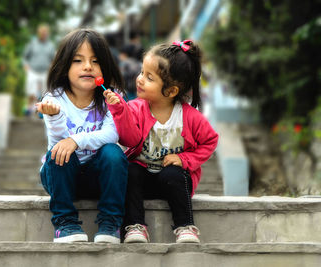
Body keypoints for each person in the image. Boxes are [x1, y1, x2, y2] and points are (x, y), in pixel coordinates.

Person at [104, 40, 218, 243]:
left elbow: (210, 141)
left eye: (149, 77)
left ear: (171, 91)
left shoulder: (190, 117)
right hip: (142, 180)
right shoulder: (135, 108)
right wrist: (120, 111)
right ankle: (135, 226)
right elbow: (127, 138)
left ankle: (185, 226)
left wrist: (185, 159)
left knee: (174, 173)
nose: (139, 79)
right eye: (141, 73)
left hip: (172, 182)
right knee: (130, 170)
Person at [36, 29, 128, 244]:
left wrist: (76, 140)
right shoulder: (54, 98)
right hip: (62, 177)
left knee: (113, 152)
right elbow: (57, 143)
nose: (87, 66)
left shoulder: (112, 98)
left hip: (100, 178)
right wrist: (55, 116)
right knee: (58, 152)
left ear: (104, 67)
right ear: (65, 66)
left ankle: (110, 223)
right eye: (78, 60)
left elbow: (112, 134)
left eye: (95, 61)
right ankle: (65, 223)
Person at [23, 23, 55, 116]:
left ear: (47, 34)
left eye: (45, 33)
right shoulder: (32, 43)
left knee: (44, 93)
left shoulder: (50, 45)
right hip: (33, 71)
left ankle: (41, 110)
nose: (44, 34)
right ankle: (29, 108)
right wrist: (26, 65)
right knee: (31, 91)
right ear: (39, 33)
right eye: (42, 32)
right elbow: (25, 56)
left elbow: (53, 59)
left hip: (45, 71)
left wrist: (51, 67)